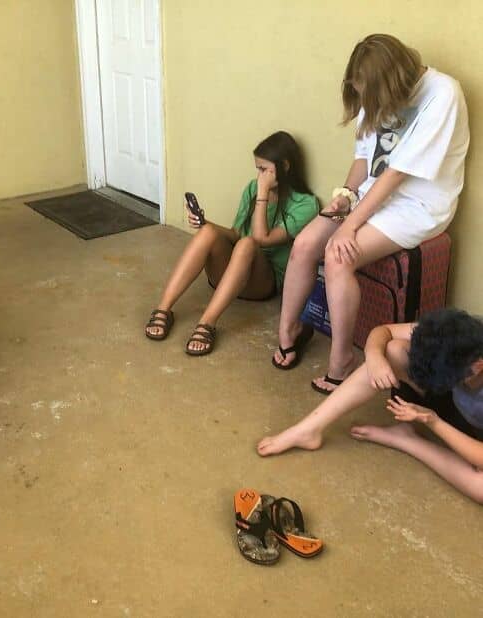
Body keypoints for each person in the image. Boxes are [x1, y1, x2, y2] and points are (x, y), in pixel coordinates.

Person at [272, 34, 470, 394]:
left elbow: (395, 175)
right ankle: (289, 332)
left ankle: (341, 361)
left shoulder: (443, 94)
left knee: (338, 255)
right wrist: (345, 197)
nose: (366, 102)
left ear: (392, 83)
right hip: (372, 197)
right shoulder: (372, 86)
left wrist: (349, 226)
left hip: (418, 206)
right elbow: (364, 159)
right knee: (304, 244)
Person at [258, 309, 483, 504]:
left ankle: (408, 440)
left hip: (474, 435)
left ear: (477, 366)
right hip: (453, 405)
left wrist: (433, 421)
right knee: (393, 350)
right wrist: (374, 357)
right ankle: (308, 429)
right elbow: (383, 331)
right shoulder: (456, 333)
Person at [145, 131, 318, 355]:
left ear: (284, 166)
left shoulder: (306, 204)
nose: (259, 176)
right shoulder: (252, 189)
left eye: (264, 170)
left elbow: (260, 239)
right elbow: (236, 233)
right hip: (230, 274)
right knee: (208, 232)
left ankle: (206, 323)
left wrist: (263, 193)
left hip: (263, 282)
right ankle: (163, 309)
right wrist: (205, 223)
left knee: (247, 244)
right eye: (258, 169)